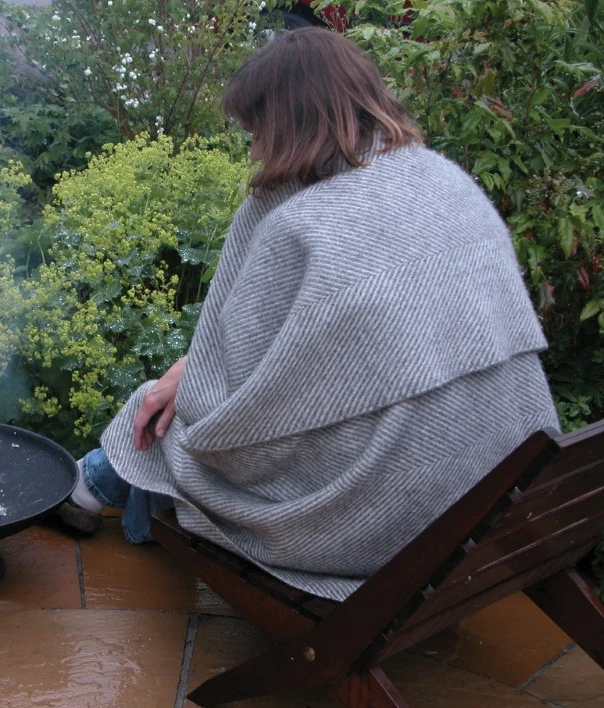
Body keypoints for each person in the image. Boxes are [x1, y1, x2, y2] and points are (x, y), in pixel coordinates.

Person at [52, 27, 560, 602]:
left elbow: (231, 407)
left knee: (174, 420)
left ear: (289, 121)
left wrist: (185, 380)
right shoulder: (445, 181)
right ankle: (94, 485)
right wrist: (191, 372)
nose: (255, 153)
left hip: (381, 517)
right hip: (495, 485)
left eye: (257, 132)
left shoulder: (295, 218)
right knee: (179, 395)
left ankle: (93, 488)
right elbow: (359, 357)